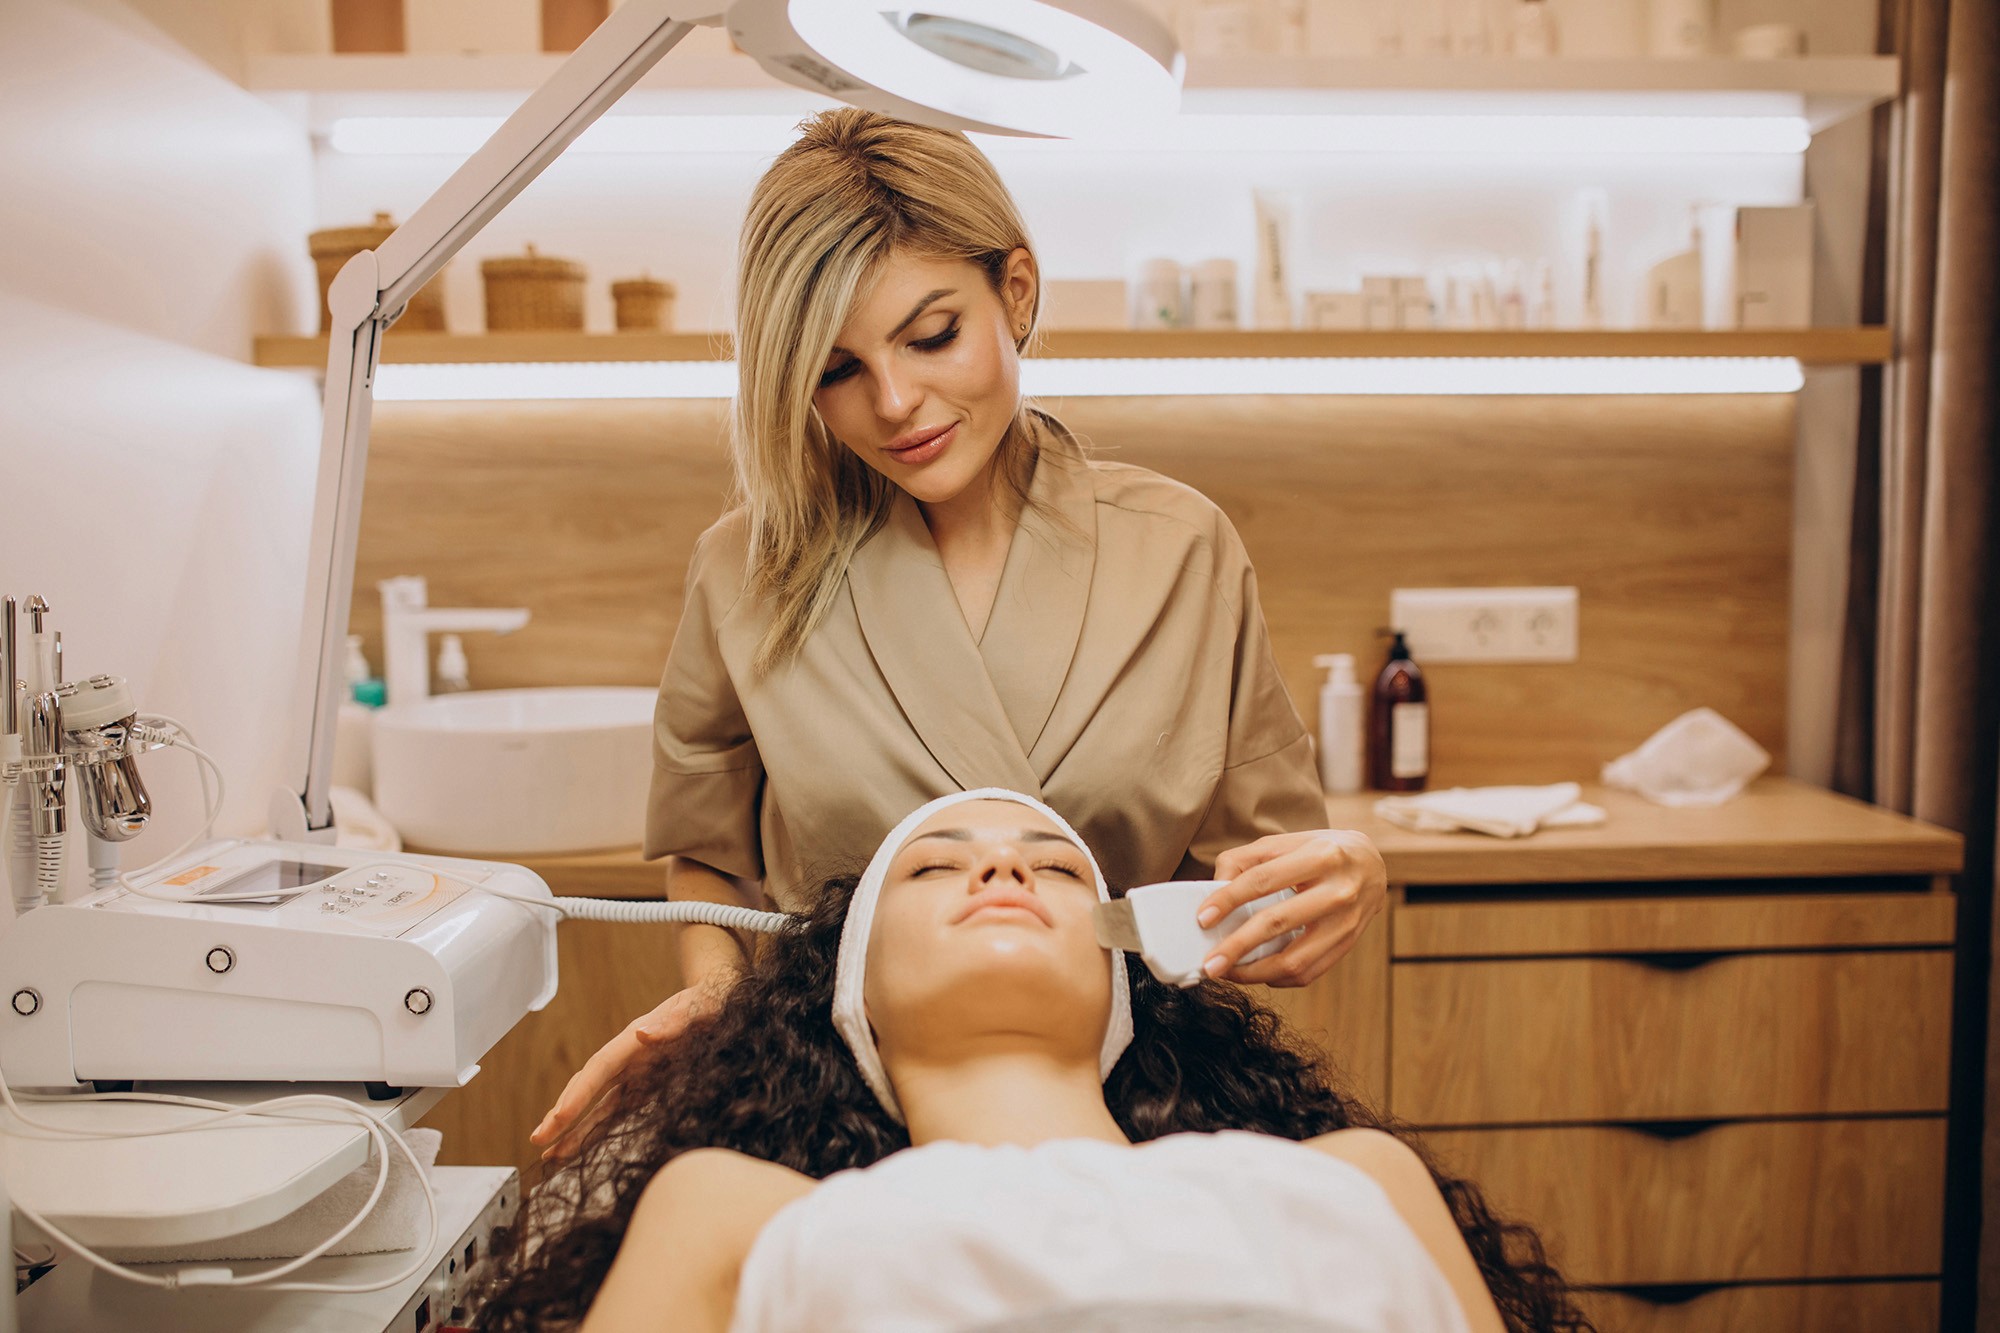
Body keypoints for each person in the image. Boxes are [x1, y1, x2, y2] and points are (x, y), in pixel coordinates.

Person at [534, 107, 1390, 1157]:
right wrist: (720, 1007)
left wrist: (1342, 874)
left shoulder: (1181, 549)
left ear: (1015, 293)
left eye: (930, 335)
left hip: (1134, 1110)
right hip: (836, 1116)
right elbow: (710, 859)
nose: (895, 403)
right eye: (835, 370)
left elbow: (1259, 878)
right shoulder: (747, 571)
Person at [482, 792, 1595, 1333]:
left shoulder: (1358, 1176)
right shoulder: (726, 1209)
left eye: (1056, 870)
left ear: (1128, 972)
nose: (1003, 873)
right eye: (931, 870)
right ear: (847, 992)